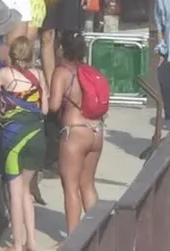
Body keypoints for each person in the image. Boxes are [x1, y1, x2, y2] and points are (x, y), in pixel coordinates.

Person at [0, 35, 47, 251]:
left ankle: (16, 245)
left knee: (15, 194)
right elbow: (44, 109)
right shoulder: (39, 74)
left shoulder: (5, 74)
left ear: (12, 54)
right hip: (38, 137)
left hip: (14, 138)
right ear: (31, 55)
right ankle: (31, 242)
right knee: (26, 191)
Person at [48, 31, 103, 235]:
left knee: (70, 187)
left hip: (75, 131)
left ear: (62, 49)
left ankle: (73, 240)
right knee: (87, 185)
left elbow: (54, 106)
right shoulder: (89, 70)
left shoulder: (62, 72)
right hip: (96, 130)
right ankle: (97, 235)